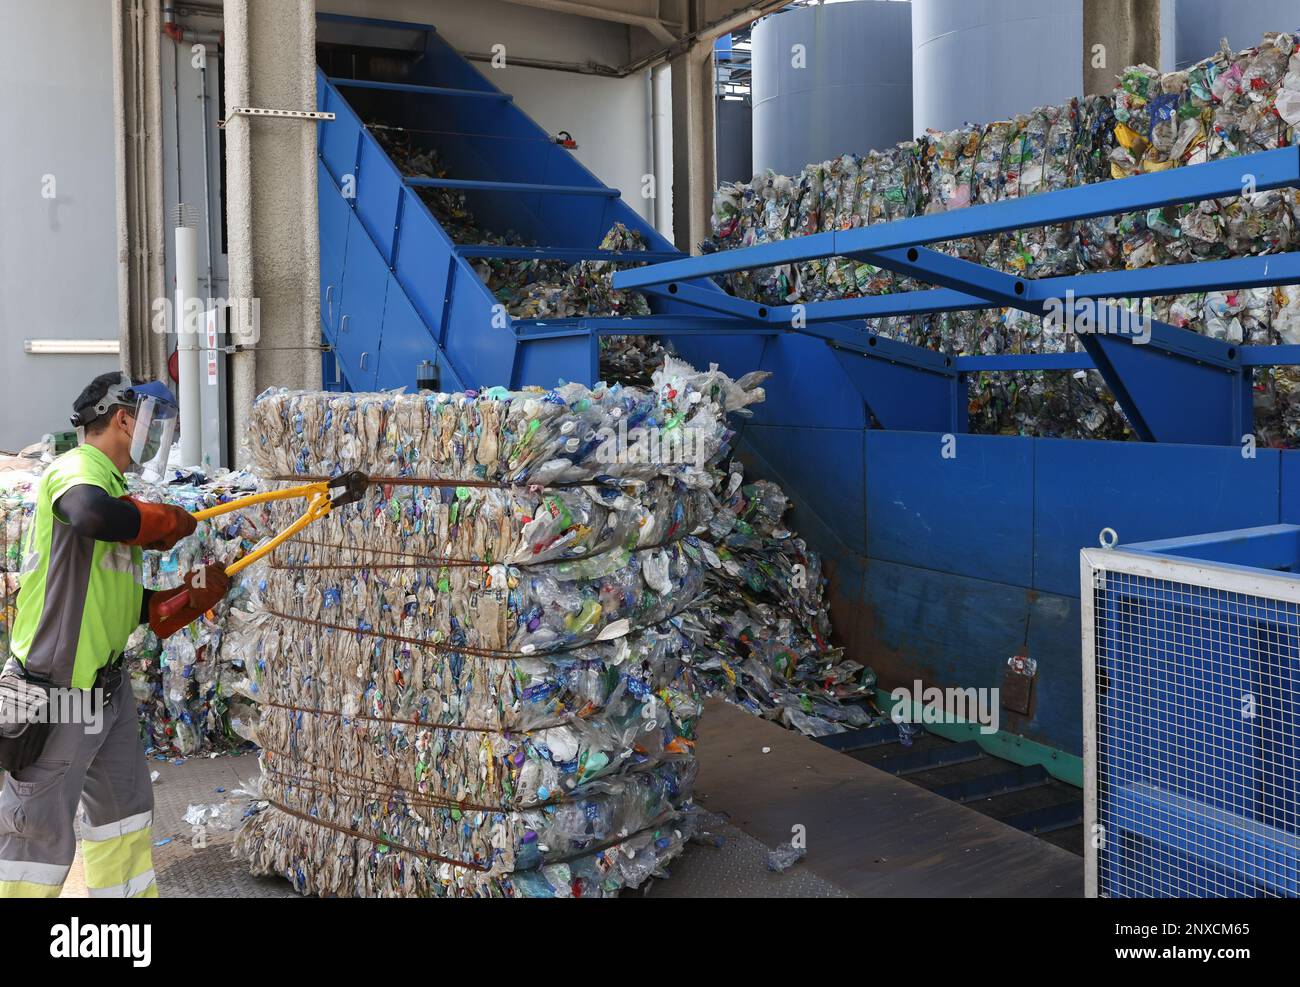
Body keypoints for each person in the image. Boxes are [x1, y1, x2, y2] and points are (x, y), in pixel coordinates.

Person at [0, 372, 228, 898]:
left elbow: (126, 607)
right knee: (35, 837)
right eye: (154, 423)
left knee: (123, 818)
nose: (156, 436)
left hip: (106, 689)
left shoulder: (115, 491)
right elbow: (88, 514)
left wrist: (185, 596)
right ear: (125, 419)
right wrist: (158, 519)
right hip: (59, 689)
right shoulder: (79, 471)